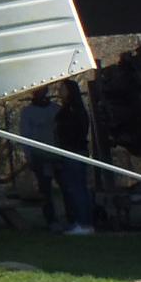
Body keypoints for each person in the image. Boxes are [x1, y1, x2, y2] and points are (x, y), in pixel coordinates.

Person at [51, 79, 95, 235]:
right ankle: (80, 221)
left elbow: (73, 132)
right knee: (75, 188)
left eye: (62, 88)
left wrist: (65, 146)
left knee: (77, 189)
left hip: (73, 152)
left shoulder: (73, 112)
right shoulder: (69, 110)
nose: (59, 91)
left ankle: (84, 223)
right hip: (71, 152)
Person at [18, 86, 61, 227]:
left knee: (66, 187)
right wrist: (29, 155)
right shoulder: (28, 113)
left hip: (58, 155)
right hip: (40, 156)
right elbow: (26, 136)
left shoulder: (55, 109)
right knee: (45, 190)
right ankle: (51, 219)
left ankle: (72, 217)